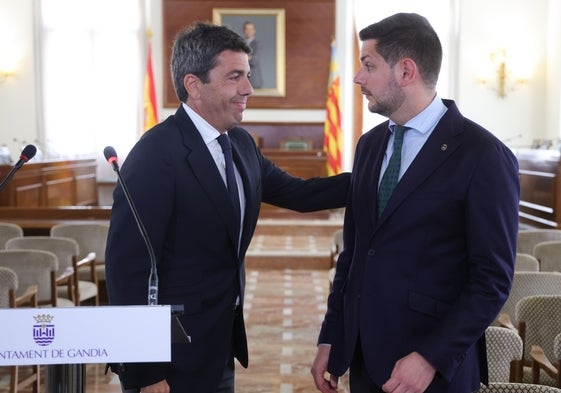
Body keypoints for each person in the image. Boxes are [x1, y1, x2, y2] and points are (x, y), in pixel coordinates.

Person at [105, 21, 349, 393]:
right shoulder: (156, 154)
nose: (248, 88)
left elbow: (300, 194)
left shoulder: (239, 144)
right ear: (194, 84)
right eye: (235, 76)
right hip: (169, 358)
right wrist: (145, 373)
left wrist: (377, 177)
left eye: (247, 75)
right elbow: (127, 270)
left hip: (218, 342)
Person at [311, 13, 519, 393]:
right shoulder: (369, 146)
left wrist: (430, 357)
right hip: (363, 361)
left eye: (368, 65)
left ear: (406, 71)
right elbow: (355, 255)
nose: (358, 77)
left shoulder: (483, 155)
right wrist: (332, 337)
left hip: (433, 372)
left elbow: (492, 280)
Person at [242, 21, 263, 88]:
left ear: (254, 31)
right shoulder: (240, 44)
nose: (249, 31)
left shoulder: (257, 44)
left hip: (254, 79)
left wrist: (242, 58)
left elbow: (254, 60)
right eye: (247, 29)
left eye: (251, 29)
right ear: (244, 30)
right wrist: (248, 57)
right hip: (242, 78)